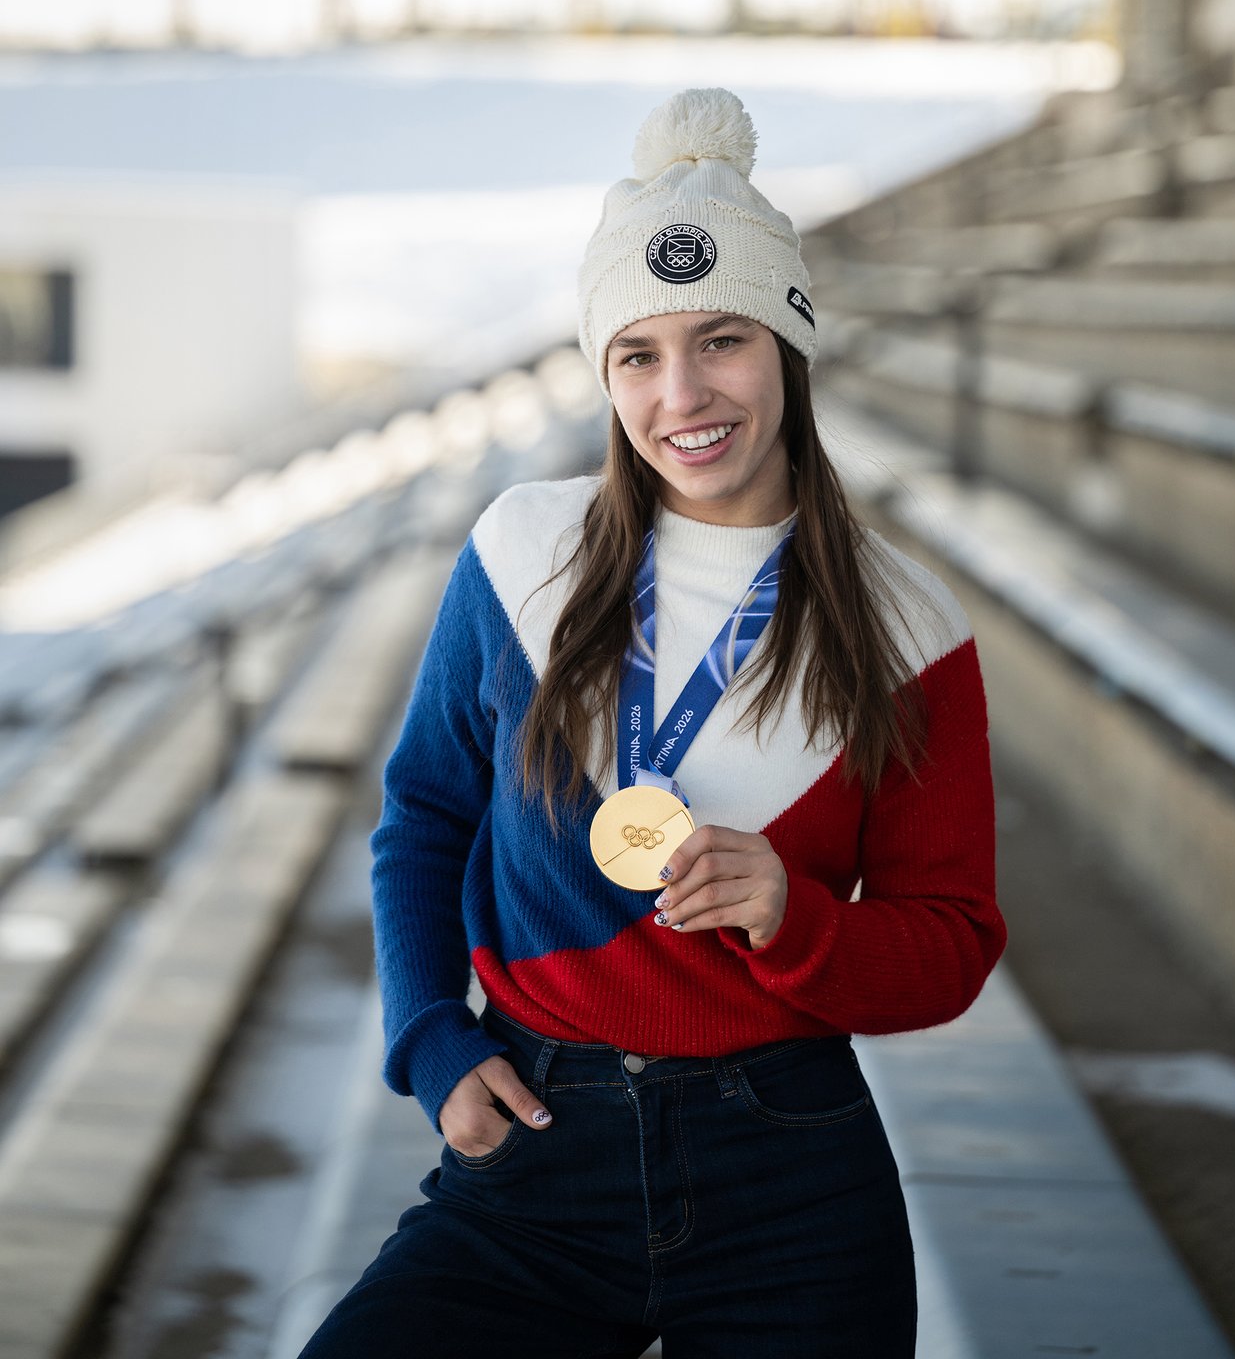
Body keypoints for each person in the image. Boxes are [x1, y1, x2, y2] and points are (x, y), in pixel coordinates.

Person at [298, 86, 1008, 1359]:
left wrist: (798, 918)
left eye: (720, 339)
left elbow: (950, 942)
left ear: (786, 346)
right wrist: (431, 1041)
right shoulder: (524, 552)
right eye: (637, 353)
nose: (681, 393)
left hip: (786, 1168)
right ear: (605, 373)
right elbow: (424, 817)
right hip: (534, 1146)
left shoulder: (910, 626)